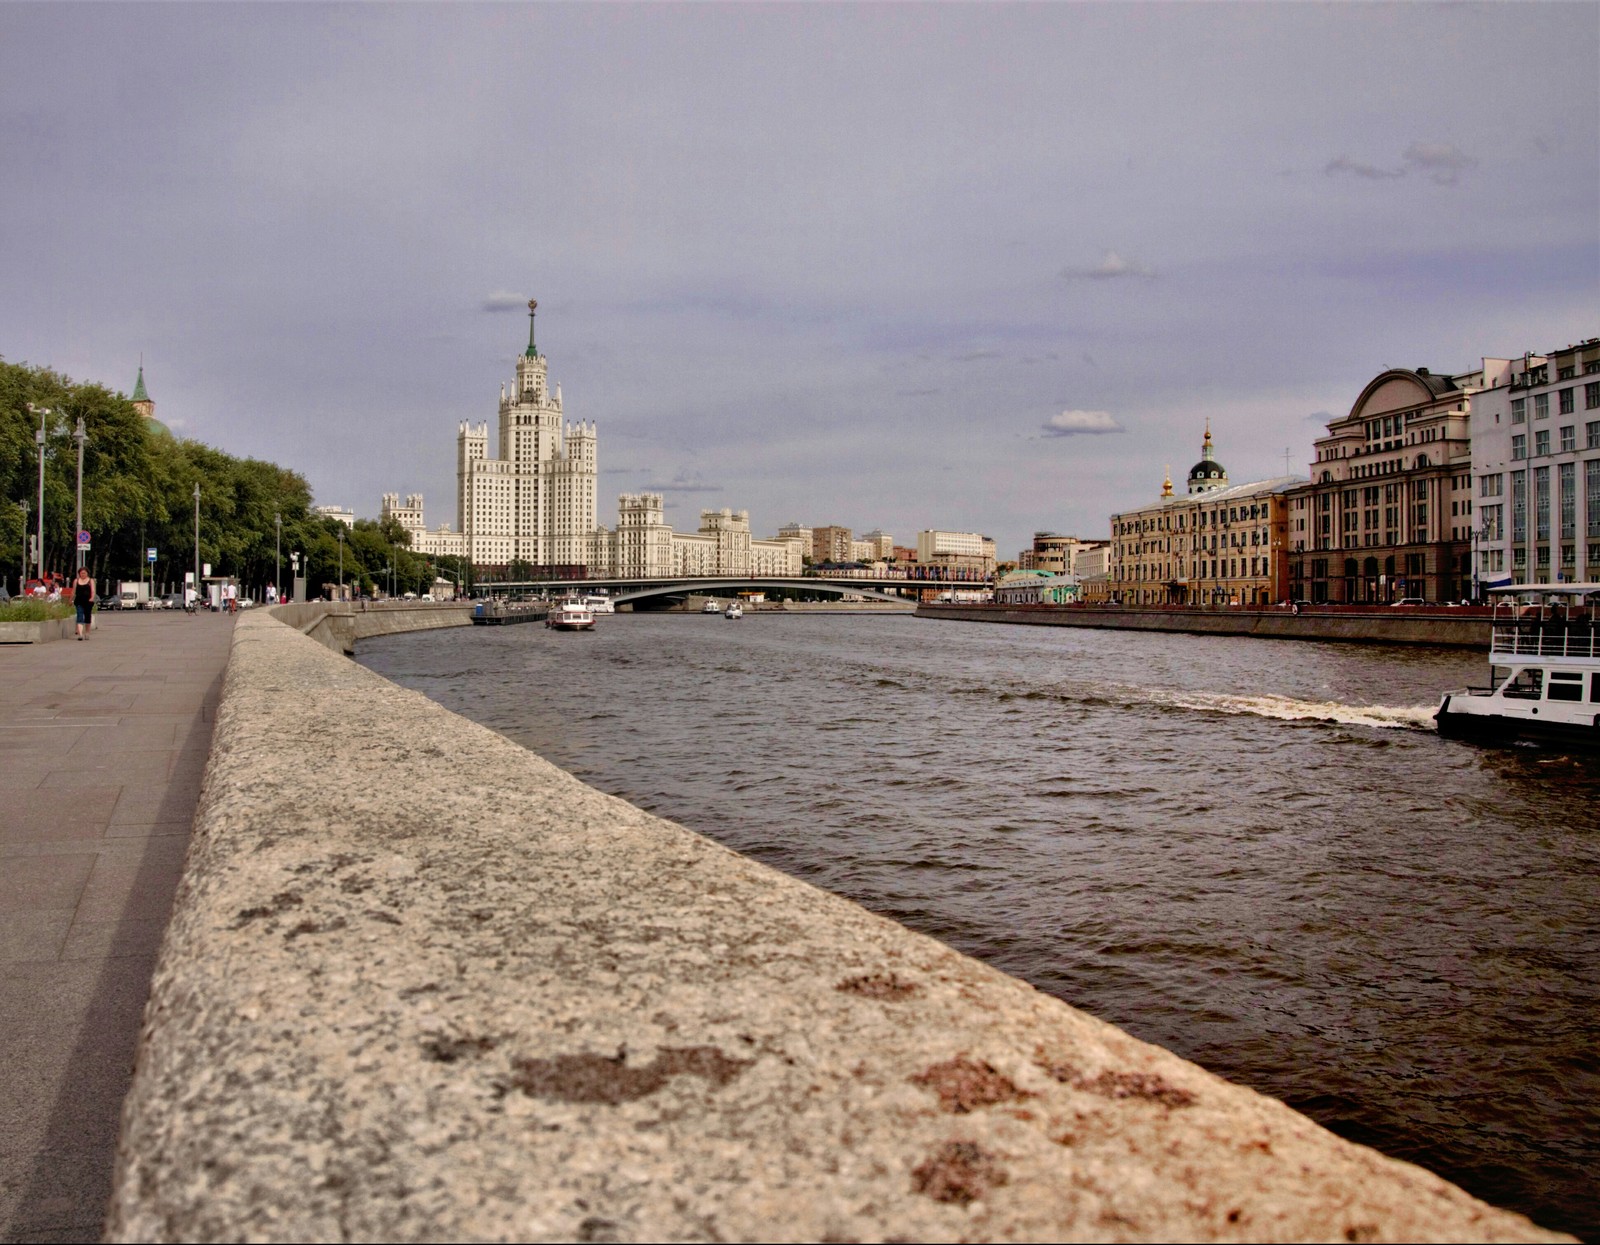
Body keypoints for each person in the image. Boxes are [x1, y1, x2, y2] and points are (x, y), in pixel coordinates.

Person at [71, 567, 94, 640]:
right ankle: (80, 634)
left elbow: (93, 591)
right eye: (81, 573)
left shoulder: (90, 581)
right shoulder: (76, 581)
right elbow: (73, 591)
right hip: (79, 601)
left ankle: (87, 632)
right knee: (79, 616)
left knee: (87, 616)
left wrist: (92, 598)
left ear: (87, 573)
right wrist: (70, 600)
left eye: (84, 573)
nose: (83, 574)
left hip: (88, 601)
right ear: (79, 574)